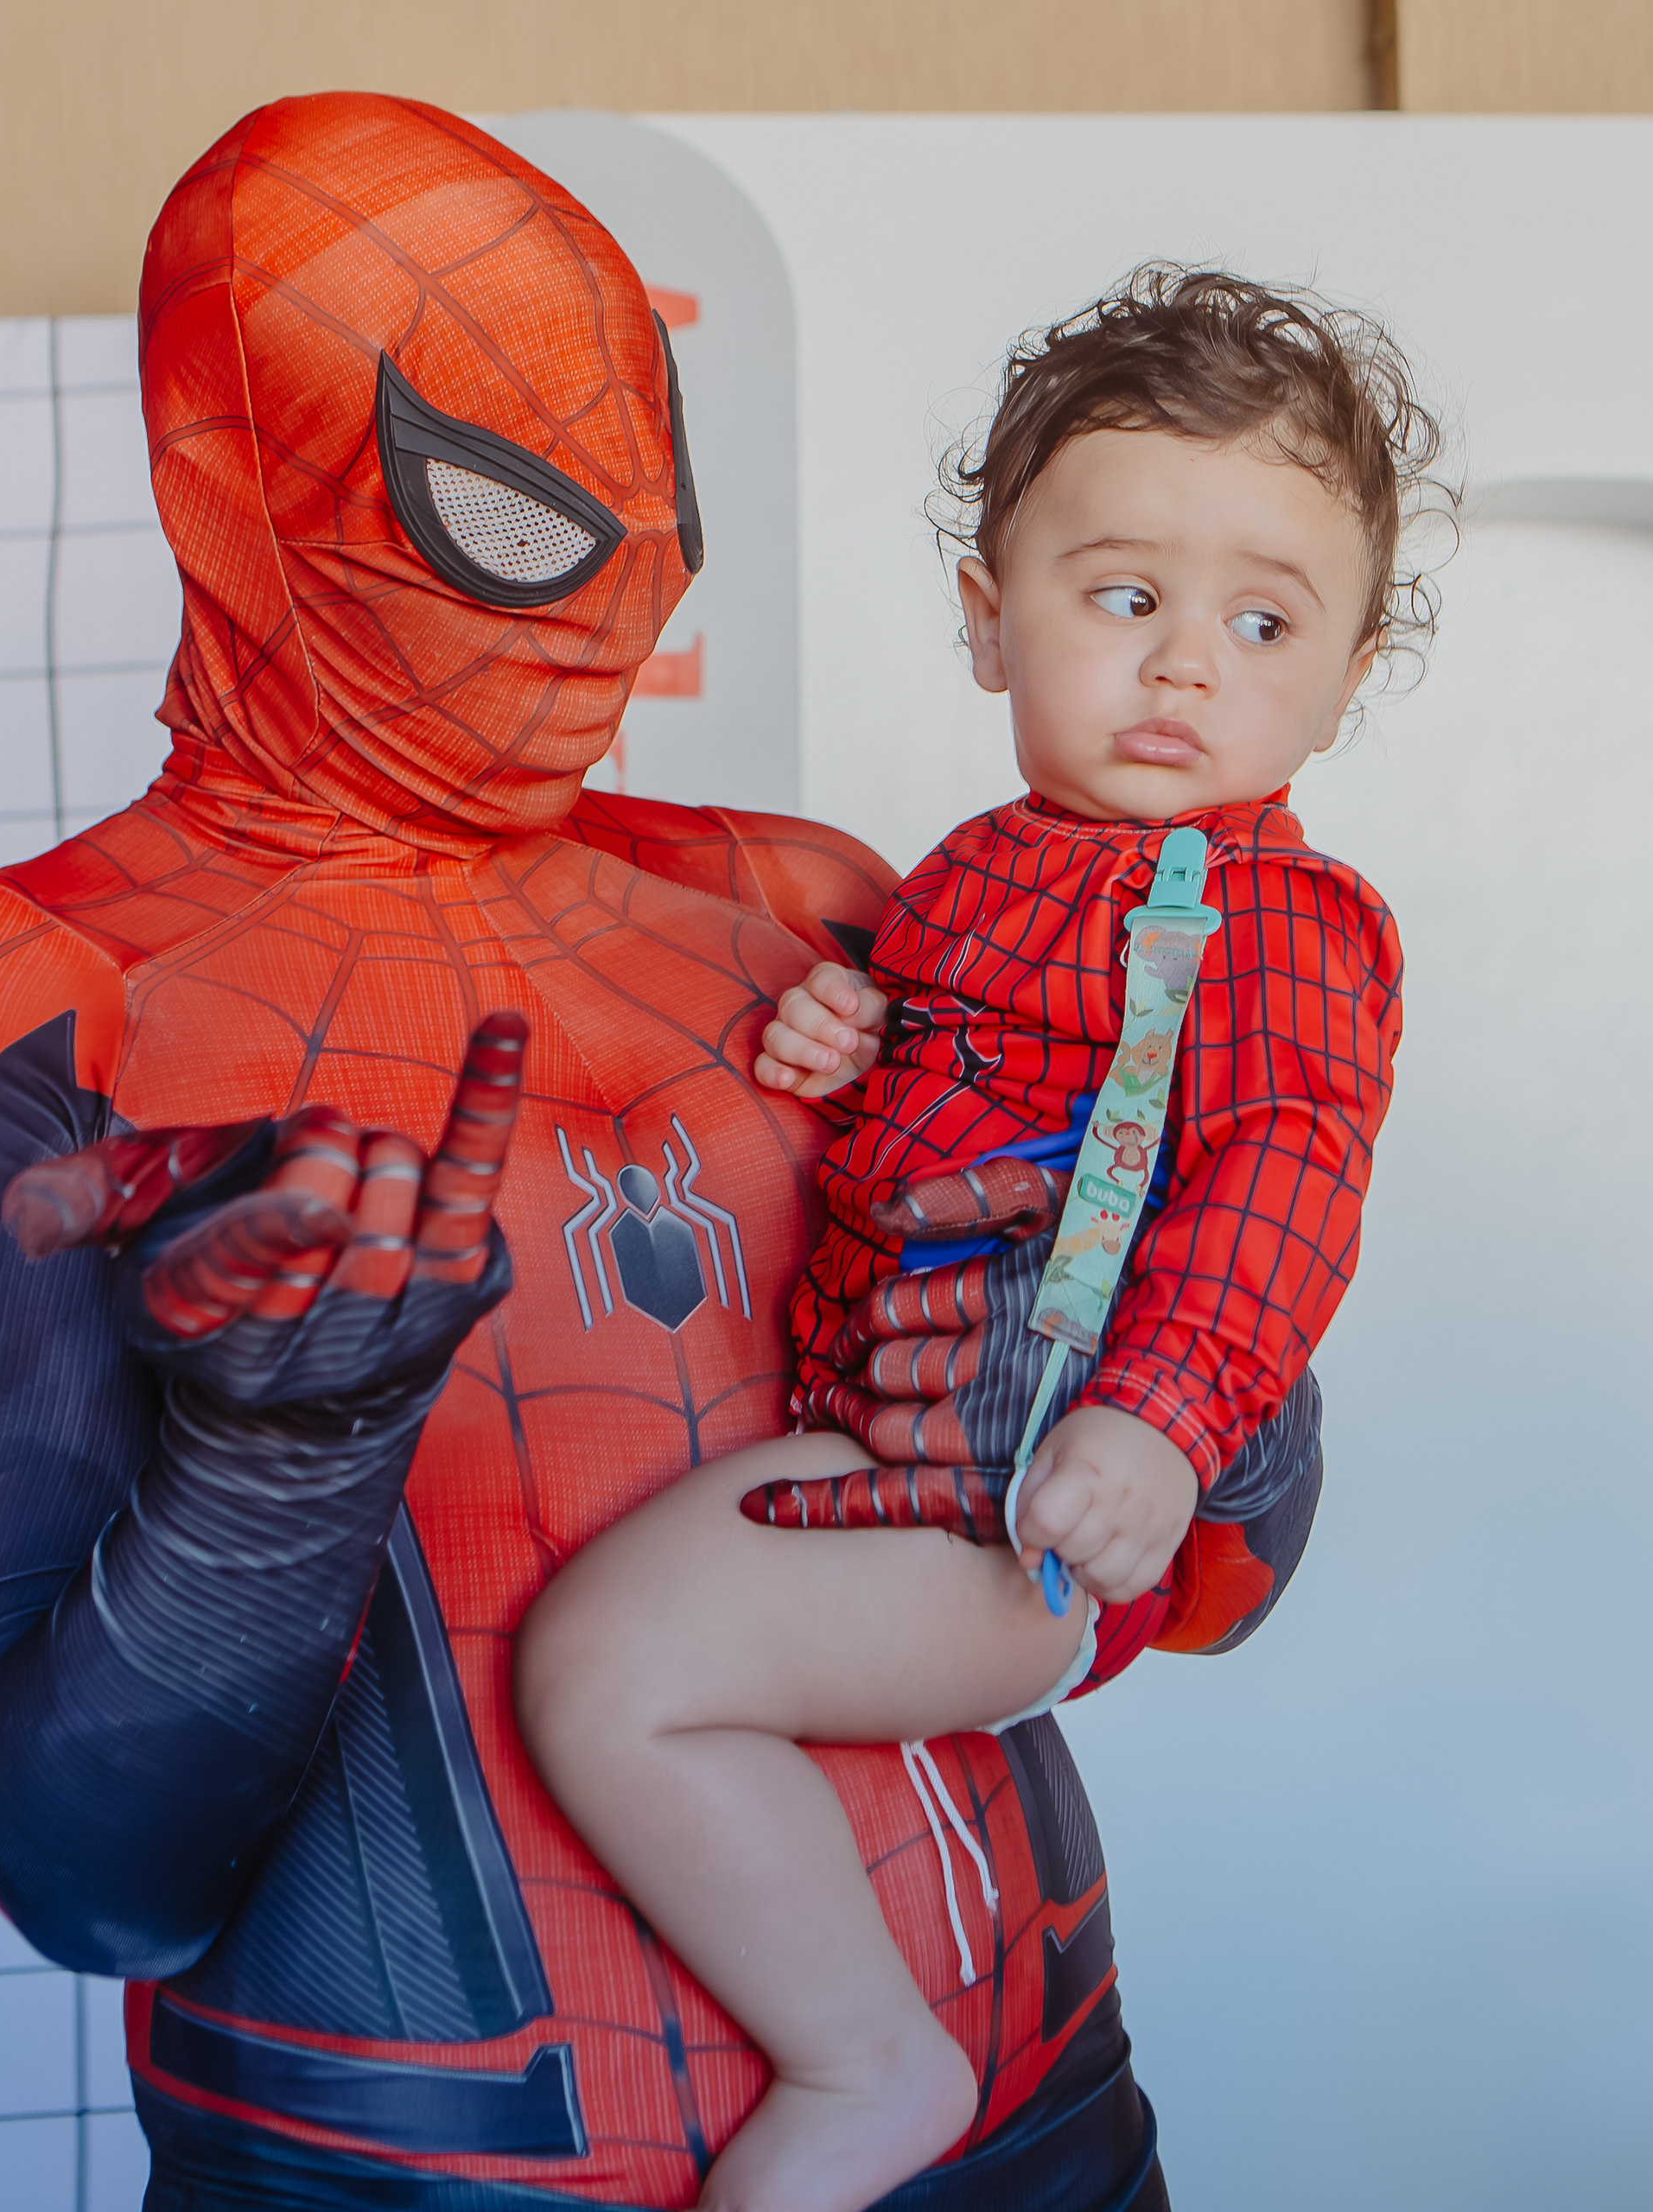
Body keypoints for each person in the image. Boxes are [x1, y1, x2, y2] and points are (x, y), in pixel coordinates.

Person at [0, 93, 1172, 2209]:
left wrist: (1131, 1411)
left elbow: (1227, 1549)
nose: (619, 593)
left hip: (1042, 2113)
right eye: (507, 513)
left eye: (652, 495)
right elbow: (87, 1874)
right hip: (400, 2166)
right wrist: (276, 1467)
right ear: (229, 485)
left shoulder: (811, 905)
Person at [517, 267, 1427, 2212]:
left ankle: (864, 2061)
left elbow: (1280, 1179)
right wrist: (854, 1032)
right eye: (1125, 597)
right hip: (884, 1434)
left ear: (1347, 679)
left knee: (611, 1669)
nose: (1185, 668)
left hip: (1023, 1497)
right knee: (599, 1628)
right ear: (989, 616)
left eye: (1264, 623)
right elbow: (971, 1081)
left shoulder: (1279, 921)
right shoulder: (975, 873)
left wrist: (1161, 1420)